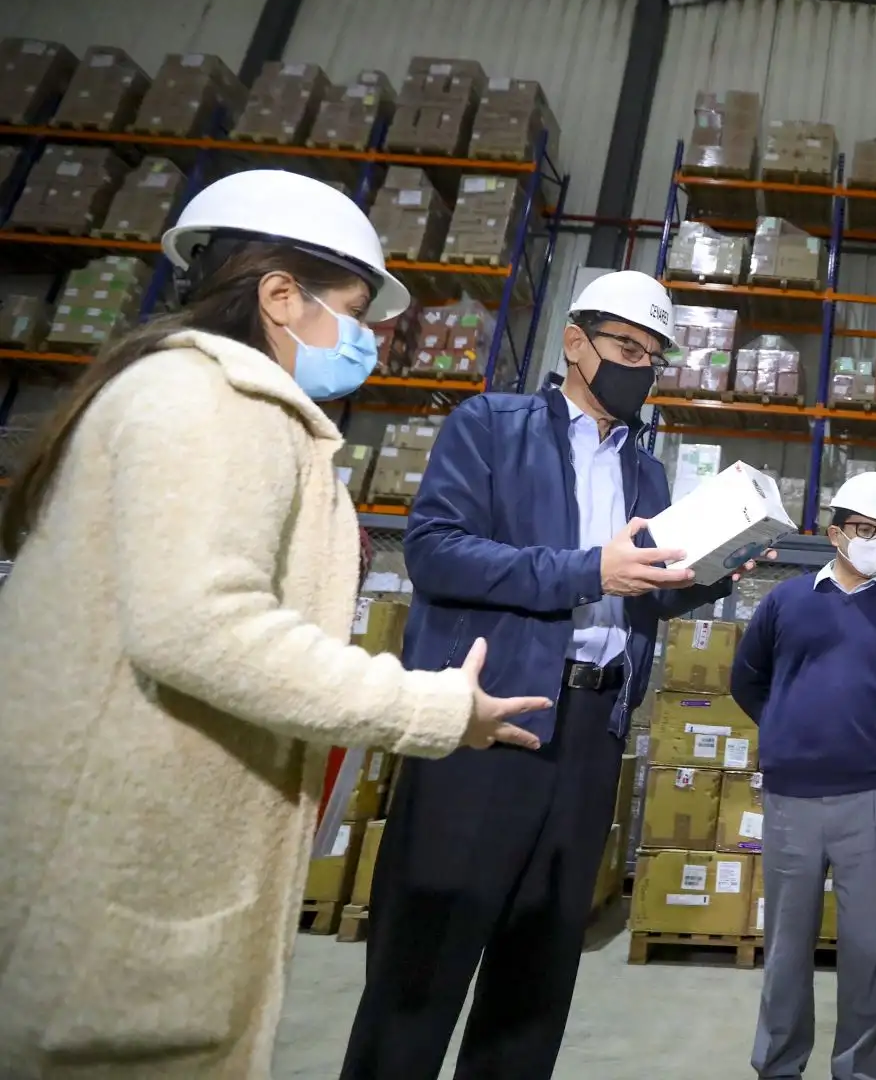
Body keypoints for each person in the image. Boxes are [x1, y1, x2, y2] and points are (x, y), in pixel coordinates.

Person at [0, 170, 548, 1079]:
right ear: (279, 296)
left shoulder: (186, 395)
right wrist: (435, 710)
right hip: (115, 885)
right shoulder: (215, 402)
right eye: (355, 310)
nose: (366, 339)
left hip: (124, 862)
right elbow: (203, 625)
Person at [342, 268, 766, 1079]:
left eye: (654, 355)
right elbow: (435, 552)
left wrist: (711, 571)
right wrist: (586, 571)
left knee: (534, 982)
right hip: (488, 725)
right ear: (575, 344)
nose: (641, 366)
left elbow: (637, 596)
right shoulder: (491, 427)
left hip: (590, 738)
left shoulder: (646, 472)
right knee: (420, 972)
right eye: (626, 347)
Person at [731, 472, 876, 1080]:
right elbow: (744, 679)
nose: (875, 541)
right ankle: (778, 1066)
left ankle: (857, 1071)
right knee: (784, 951)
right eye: (865, 529)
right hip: (791, 803)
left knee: (870, 954)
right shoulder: (786, 602)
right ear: (835, 534)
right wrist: (783, 725)